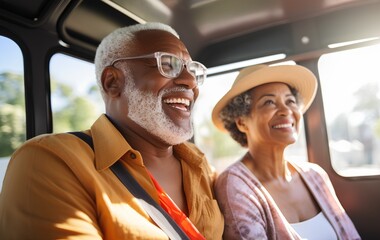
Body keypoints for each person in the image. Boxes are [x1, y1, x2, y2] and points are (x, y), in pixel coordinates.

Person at [0, 22, 223, 239]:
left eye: (193, 70)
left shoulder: (201, 165)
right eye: (168, 64)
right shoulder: (49, 161)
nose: (189, 81)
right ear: (113, 82)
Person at [212, 64, 360, 239]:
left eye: (290, 101)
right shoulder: (235, 186)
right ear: (242, 122)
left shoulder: (315, 175)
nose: (286, 110)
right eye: (269, 102)